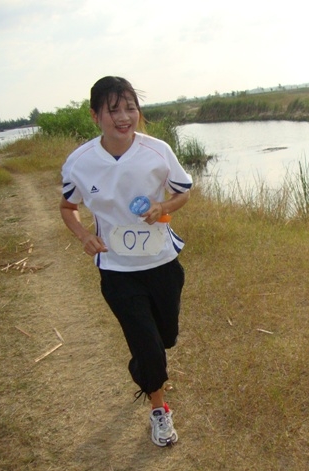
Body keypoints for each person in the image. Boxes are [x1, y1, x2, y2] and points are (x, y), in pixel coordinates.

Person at [59, 76, 192, 447]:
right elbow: (67, 206)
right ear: (95, 115)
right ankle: (159, 409)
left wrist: (163, 206)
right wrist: (84, 236)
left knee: (165, 338)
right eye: (113, 109)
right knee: (149, 349)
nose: (123, 117)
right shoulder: (80, 162)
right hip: (118, 271)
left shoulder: (157, 151)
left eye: (130, 108)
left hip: (163, 263)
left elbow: (183, 192)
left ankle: (144, 363)